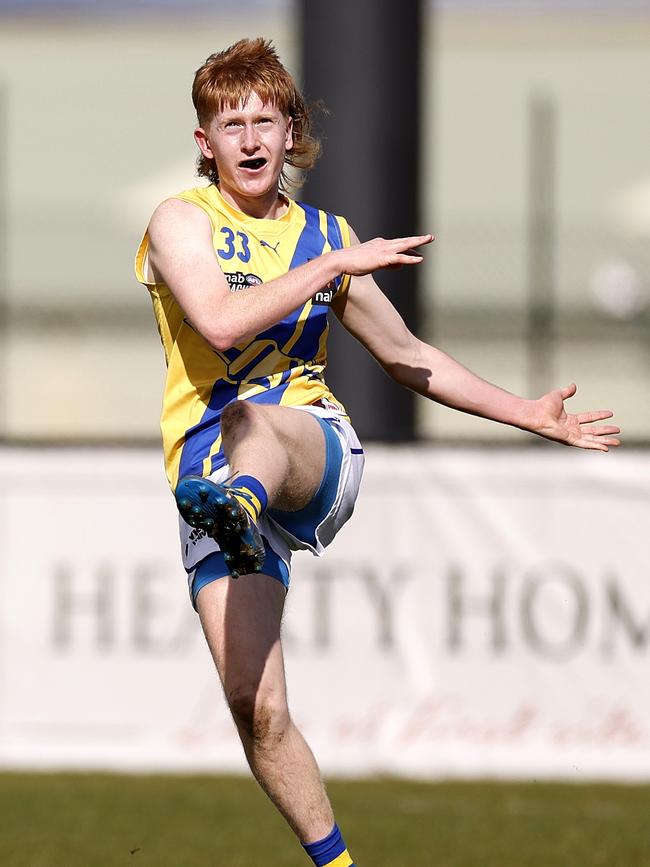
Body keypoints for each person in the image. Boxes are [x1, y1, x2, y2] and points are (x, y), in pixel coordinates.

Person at [135, 37, 620, 867]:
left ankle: (244, 506)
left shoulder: (326, 233)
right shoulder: (182, 220)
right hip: (206, 479)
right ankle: (341, 863)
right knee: (257, 706)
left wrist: (527, 412)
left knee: (255, 419)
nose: (250, 139)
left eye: (266, 120)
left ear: (292, 133)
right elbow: (217, 320)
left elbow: (405, 356)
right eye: (230, 123)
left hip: (310, 449)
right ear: (204, 142)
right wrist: (332, 267)